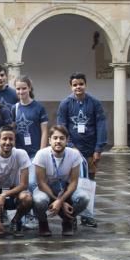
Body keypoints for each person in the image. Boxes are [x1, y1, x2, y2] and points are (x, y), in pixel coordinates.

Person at [56, 72, 107, 228]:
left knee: (88, 183)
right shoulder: (65, 104)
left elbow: (101, 125)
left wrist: (98, 149)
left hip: (90, 151)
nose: (78, 87)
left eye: (81, 84)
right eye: (75, 84)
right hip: (71, 152)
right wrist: (71, 147)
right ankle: (72, 215)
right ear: (70, 86)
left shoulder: (94, 103)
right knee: (71, 183)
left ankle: (87, 215)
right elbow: (62, 127)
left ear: (85, 84)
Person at [33, 125, 90, 237]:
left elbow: (74, 182)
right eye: (55, 138)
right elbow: (41, 183)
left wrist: (61, 200)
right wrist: (60, 202)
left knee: (84, 198)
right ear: (49, 140)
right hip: (46, 189)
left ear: (67, 140)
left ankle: (67, 220)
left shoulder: (74, 155)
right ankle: (43, 223)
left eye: (61, 138)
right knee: (39, 200)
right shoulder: (41, 154)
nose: (58, 141)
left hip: (66, 188)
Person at [13, 75, 48, 161]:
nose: (21, 91)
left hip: (35, 154)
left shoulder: (39, 107)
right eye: (18, 89)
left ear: (29, 88)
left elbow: (44, 131)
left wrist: (41, 153)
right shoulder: (14, 108)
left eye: (24, 88)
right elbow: (12, 130)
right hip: (19, 154)